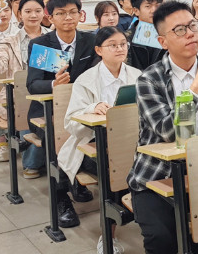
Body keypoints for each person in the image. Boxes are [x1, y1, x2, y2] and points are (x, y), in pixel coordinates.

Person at [128, 0, 198, 254]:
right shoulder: (148, 80)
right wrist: (195, 86)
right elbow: (169, 131)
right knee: (163, 240)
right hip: (156, 176)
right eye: (179, 30)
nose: (190, 34)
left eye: (192, 26)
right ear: (163, 42)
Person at [58, 26, 141, 254]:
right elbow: (70, 123)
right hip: (92, 148)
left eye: (123, 44)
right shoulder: (86, 80)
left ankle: (146, 217)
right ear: (99, 50)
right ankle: (108, 235)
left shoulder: (137, 76)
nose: (119, 49)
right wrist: (92, 108)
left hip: (130, 144)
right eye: (112, 45)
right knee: (115, 170)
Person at [25, 0, 98, 225]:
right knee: (55, 138)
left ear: (80, 14)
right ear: (51, 17)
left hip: (83, 109)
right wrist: (54, 84)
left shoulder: (91, 41)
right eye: (61, 13)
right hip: (48, 111)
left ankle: (78, 179)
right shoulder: (41, 45)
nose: (68, 17)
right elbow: (33, 84)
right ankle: (60, 197)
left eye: (73, 12)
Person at [0, 0, 45, 161]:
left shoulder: (53, 37)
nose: (33, 15)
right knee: (30, 114)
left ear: (44, 13)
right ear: (19, 14)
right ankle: (32, 161)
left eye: (37, 11)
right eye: (28, 11)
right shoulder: (10, 41)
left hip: (48, 92)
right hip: (19, 97)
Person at [124, 0, 165, 71]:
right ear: (136, 11)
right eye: (148, 6)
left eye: (157, 6)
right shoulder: (125, 39)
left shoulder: (169, 35)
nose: (154, 10)